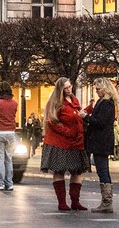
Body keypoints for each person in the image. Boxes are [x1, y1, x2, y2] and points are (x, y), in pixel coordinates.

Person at [39, 77, 86, 211]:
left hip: (76, 142)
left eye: (70, 86)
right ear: (60, 89)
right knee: (59, 171)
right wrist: (68, 131)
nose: (69, 89)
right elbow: (51, 122)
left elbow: (76, 116)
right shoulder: (55, 102)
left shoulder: (74, 100)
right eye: (66, 88)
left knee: (77, 171)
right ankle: (62, 202)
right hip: (59, 142)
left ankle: (75, 201)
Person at [83, 77, 117, 213]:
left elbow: (100, 122)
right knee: (102, 169)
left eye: (98, 89)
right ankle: (106, 202)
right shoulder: (103, 102)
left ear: (105, 89)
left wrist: (86, 117)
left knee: (102, 170)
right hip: (100, 140)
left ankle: (107, 202)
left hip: (101, 141)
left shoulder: (107, 103)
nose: (96, 91)